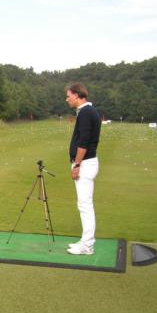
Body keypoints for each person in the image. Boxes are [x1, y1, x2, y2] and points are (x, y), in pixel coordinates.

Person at [65, 83, 101, 255]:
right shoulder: (87, 111)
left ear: (77, 95)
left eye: (68, 96)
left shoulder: (86, 112)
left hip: (85, 164)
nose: (67, 99)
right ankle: (85, 241)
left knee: (85, 205)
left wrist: (77, 165)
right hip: (86, 163)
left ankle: (87, 245)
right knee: (84, 204)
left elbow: (84, 142)